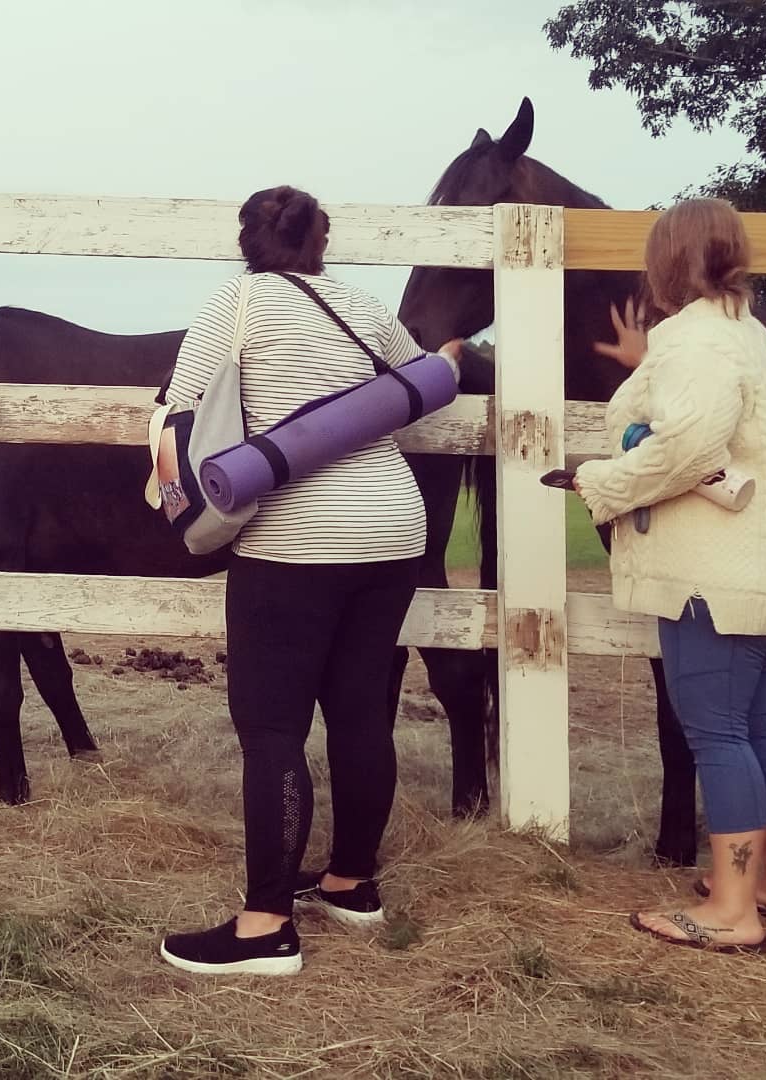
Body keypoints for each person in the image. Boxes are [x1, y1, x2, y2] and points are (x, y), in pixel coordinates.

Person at [158, 185, 462, 975]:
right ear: (320, 240)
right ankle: (352, 884)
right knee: (362, 710)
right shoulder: (362, 307)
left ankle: (264, 927)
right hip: (393, 529)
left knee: (271, 728)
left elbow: (176, 414)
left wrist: (177, 500)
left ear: (248, 241)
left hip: (292, 541)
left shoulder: (236, 305)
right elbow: (417, 383)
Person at [573, 197, 766, 953]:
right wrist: (644, 367)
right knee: (760, 724)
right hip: (763, 567)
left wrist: (603, 483)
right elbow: (703, 415)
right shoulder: (745, 334)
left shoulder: (693, 343)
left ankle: (733, 911)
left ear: (665, 261)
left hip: (713, 574)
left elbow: (684, 447)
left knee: (716, 732)